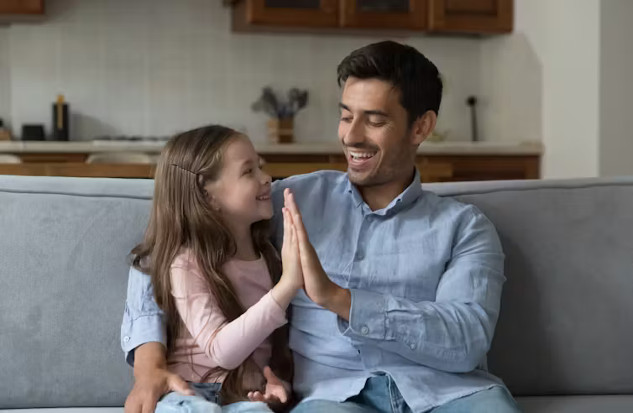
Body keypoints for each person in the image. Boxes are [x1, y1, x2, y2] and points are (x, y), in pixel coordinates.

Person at [122, 41, 520, 412]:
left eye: (374, 120)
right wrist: (149, 363)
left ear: (421, 127)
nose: (351, 135)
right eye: (346, 116)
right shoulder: (288, 201)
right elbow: (169, 245)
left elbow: (467, 340)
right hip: (333, 396)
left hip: (450, 393)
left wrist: (339, 299)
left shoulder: (465, 228)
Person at [126, 125, 305, 412]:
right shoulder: (186, 261)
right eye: (249, 172)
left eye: (260, 167)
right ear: (207, 195)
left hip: (245, 394)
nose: (267, 178)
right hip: (190, 389)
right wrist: (287, 286)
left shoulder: (270, 255)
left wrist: (277, 386)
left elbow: (269, 350)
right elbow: (222, 351)